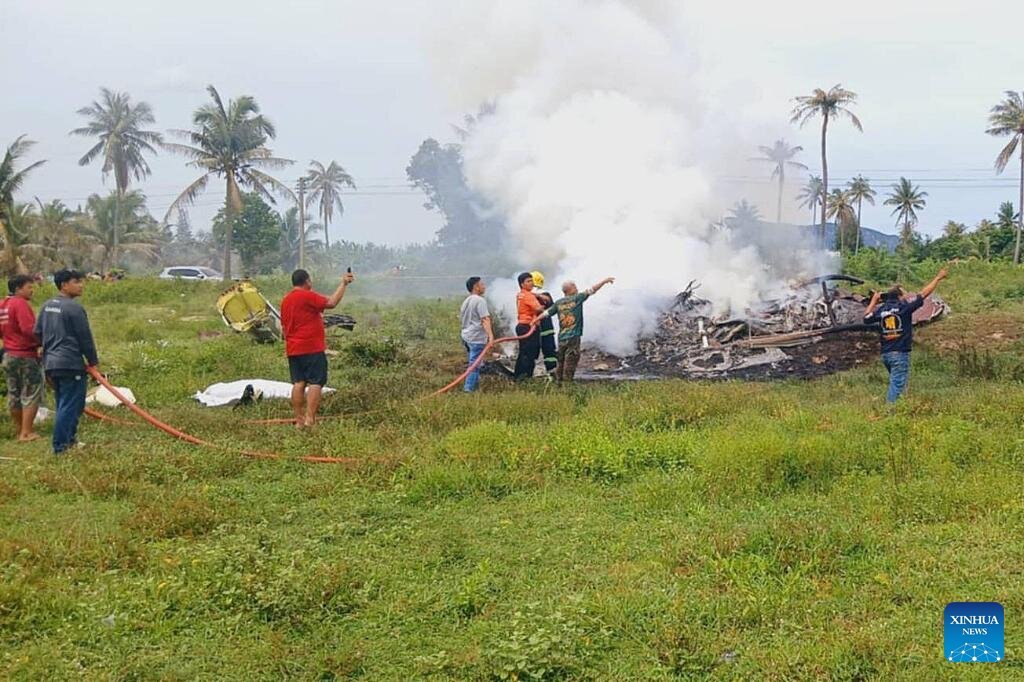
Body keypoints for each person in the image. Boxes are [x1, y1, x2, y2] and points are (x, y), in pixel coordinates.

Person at [35, 269, 98, 454]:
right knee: (71, 406)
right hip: (70, 363)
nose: (81, 285)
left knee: (64, 403)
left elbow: (37, 332)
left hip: (52, 364)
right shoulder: (74, 308)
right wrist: (93, 361)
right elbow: (85, 337)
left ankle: (69, 440)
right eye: (76, 282)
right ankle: (61, 447)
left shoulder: (47, 306)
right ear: (64, 285)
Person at [863, 266, 948, 403]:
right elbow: (923, 294)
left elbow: (866, 318)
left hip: (886, 354)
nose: (906, 296)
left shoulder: (882, 310)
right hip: (899, 353)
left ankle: (903, 407)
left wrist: (874, 300)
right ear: (899, 296)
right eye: (904, 294)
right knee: (896, 385)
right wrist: (938, 278)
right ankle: (890, 413)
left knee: (899, 383)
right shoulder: (904, 307)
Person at [280, 268, 354, 427]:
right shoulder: (307, 296)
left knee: (298, 383)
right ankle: (310, 419)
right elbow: (331, 303)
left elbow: (284, 326)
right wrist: (344, 284)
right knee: (315, 382)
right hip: (311, 347)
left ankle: (299, 421)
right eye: (310, 280)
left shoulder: (286, 300)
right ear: (307, 281)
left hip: (293, 348)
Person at [535, 276, 615, 384]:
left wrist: (534, 321)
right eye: (575, 287)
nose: (577, 289)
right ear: (570, 290)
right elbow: (592, 289)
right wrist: (604, 281)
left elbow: (546, 313)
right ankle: (567, 384)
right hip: (573, 336)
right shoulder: (577, 298)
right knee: (571, 361)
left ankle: (558, 383)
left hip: (562, 337)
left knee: (561, 361)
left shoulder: (559, 303)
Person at [1, 275, 43, 442]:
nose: (32, 290)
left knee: (14, 393)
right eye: (29, 287)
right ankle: (27, 432)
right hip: (25, 355)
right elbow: (28, 329)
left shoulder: (3, 304)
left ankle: (19, 429)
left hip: (8, 354)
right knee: (31, 392)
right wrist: (41, 342)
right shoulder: (20, 303)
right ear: (18, 289)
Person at [459, 276, 494, 393]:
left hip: (466, 336)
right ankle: (468, 390)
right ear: (476, 287)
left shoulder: (466, 301)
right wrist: (491, 336)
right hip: (476, 338)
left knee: (476, 363)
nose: (484, 286)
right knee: (474, 365)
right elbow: (485, 319)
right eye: (482, 284)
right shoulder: (480, 301)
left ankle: (476, 388)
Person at [513, 272, 546, 381]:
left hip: (521, 326)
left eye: (532, 280)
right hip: (529, 327)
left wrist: (537, 295)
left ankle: (518, 376)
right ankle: (526, 377)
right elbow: (538, 309)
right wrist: (544, 305)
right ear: (522, 284)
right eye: (528, 281)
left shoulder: (520, 294)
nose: (531, 283)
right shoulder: (528, 296)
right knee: (531, 353)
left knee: (523, 352)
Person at [531, 271, 558, 376]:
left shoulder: (543, 294)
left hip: (542, 328)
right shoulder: (528, 295)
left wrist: (536, 295)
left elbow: (550, 304)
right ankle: (547, 373)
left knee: (548, 352)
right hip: (539, 329)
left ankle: (551, 373)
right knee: (544, 352)